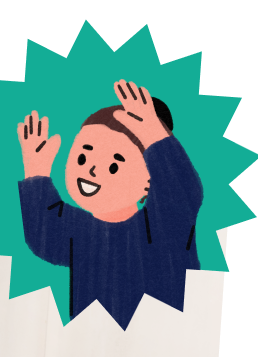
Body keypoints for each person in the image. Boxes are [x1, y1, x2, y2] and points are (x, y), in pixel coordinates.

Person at [18, 79, 204, 330]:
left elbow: (182, 195)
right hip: (91, 343)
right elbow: (46, 237)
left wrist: (153, 134)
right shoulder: (80, 232)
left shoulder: (162, 226)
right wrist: (36, 172)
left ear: (150, 181)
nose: (92, 170)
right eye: (83, 157)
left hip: (165, 339)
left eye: (114, 165)